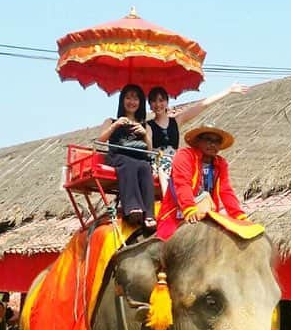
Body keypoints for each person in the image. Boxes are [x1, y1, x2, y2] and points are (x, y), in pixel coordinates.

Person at [156, 124, 247, 241]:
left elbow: (226, 191)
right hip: (178, 213)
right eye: (208, 139)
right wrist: (189, 209)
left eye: (217, 141)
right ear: (198, 141)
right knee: (166, 245)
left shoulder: (220, 163)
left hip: (208, 214)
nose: (213, 144)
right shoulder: (185, 155)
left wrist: (239, 215)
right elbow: (182, 183)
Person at [147, 83, 248, 187]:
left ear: (167, 102)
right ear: (150, 105)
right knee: (165, 167)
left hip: (176, 162)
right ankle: (169, 200)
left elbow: (203, 105)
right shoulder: (147, 126)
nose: (157, 104)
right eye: (153, 101)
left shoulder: (176, 121)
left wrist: (228, 91)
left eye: (161, 100)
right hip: (158, 164)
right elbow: (148, 150)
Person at [97, 84, 156, 229]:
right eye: (128, 97)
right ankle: (132, 208)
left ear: (140, 102)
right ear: (122, 100)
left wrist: (144, 134)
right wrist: (115, 126)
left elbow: (150, 150)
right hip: (118, 157)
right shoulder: (111, 121)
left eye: (136, 98)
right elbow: (100, 140)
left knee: (145, 166)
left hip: (140, 159)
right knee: (129, 163)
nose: (132, 101)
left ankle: (149, 214)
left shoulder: (145, 126)